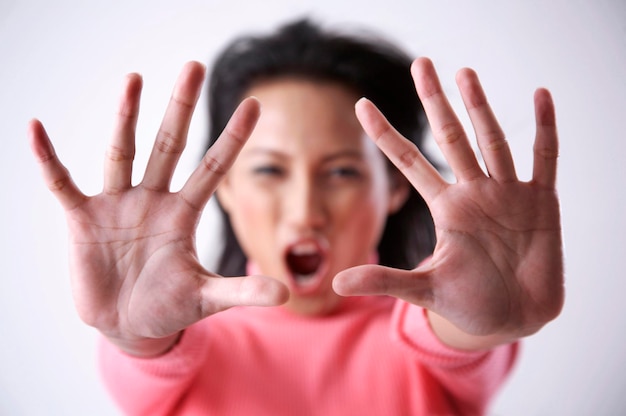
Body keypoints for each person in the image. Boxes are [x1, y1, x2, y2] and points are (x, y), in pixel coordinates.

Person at [28, 19, 564, 415]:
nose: (305, 212)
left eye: (342, 173)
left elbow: (453, 335)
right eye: (268, 171)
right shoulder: (180, 341)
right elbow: (146, 360)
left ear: (396, 188)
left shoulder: (430, 337)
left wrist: (485, 324)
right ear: (226, 188)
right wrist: (134, 338)